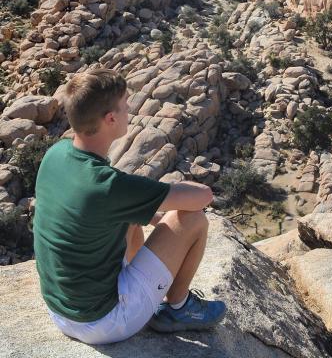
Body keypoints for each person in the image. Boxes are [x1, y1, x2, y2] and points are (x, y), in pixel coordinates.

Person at [33, 67, 227, 344]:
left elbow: (100, 208)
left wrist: (152, 215)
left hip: (62, 310)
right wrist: (170, 212)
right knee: (192, 219)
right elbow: (203, 196)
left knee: (132, 215)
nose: (130, 111)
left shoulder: (56, 154)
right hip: (105, 321)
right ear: (110, 118)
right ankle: (179, 308)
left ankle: (145, 285)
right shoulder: (108, 186)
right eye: (125, 106)